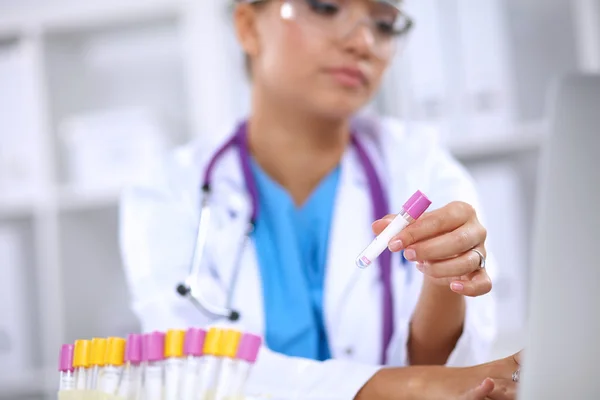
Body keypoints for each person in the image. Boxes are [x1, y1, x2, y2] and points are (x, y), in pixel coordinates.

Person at [119, 0, 520, 397]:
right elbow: (194, 367)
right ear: (248, 27)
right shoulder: (168, 189)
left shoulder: (423, 166)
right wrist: (415, 386)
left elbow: (449, 368)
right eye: (326, 8)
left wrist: (444, 280)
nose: (363, 41)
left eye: (383, 23)